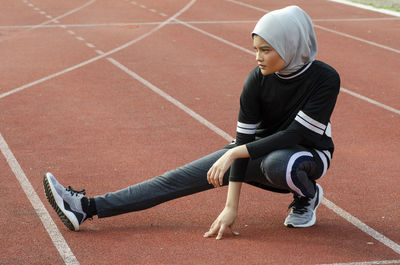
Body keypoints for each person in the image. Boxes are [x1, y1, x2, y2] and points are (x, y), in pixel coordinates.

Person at [43, 5, 340, 240]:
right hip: (256, 152)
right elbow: (243, 142)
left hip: (308, 154)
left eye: (266, 50)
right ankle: (86, 208)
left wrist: (236, 152)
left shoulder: (324, 78)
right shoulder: (255, 80)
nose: (258, 58)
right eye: (256, 49)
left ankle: (307, 196)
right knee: (175, 180)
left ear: (290, 46)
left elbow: (295, 134)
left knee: (280, 164)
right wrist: (230, 206)